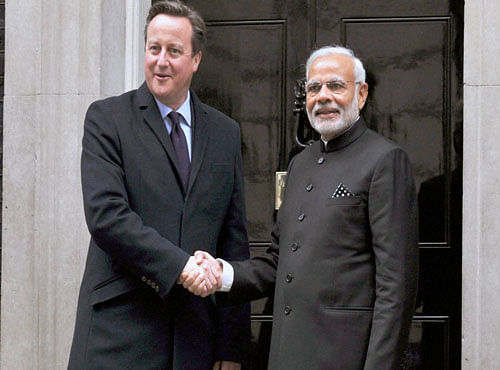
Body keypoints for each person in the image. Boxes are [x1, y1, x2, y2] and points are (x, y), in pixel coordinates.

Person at [181, 45, 419, 369]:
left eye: (336, 85)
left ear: (361, 94)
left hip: (345, 358)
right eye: (313, 87)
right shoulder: (300, 165)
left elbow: (396, 288)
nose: (322, 96)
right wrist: (223, 274)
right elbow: (279, 260)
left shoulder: (385, 160)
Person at [68, 1, 249, 369]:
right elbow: (107, 217)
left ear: (196, 59)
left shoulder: (225, 133)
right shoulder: (107, 119)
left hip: (194, 341)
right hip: (118, 335)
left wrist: (231, 348)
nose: (161, 61)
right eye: (154, 48)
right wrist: (181, 267)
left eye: (174, 51)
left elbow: (234, 241)